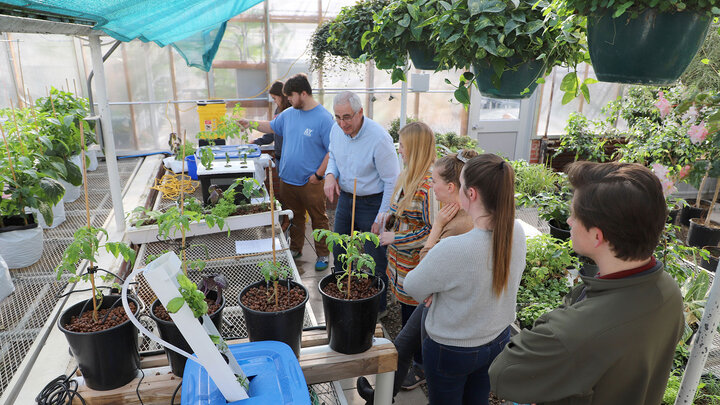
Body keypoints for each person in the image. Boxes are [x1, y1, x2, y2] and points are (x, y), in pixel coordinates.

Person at [489, 161, 684, 405]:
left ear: (597, 236)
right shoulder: (668, 291)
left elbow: (502, 374)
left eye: (574, 214)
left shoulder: (576, 331)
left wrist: (563, 316)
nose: (569, 222)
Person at [356, 149, 478, 404]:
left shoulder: (457, 223)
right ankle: (381, 396)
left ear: (452, 186)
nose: (431, 186)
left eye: (434, 182)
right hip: (437, 298)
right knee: (402, 344)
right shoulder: (452, 212)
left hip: (443, 304)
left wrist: (435, 230)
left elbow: (426, 270)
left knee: (422, 357)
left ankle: (388, 391)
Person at [403, 153, 527, 405]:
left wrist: (435, 290)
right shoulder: (517, 231)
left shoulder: (453, 248)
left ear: (471, 194)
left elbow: (413, 286)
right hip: (498, 339)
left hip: (451, 349)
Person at [239, 73, 333, 271]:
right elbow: (272, 127)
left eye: (291, 95)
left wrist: (318, 175)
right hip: (288, 179)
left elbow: (332, 151)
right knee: (294, 217)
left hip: (311, 182)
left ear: (304, 93)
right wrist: (250, 123)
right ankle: (296, 248)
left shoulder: (324, 118)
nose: (288, 99)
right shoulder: (289, 114)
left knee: (318, 218)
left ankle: (323, 255)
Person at [324, 92, 400, 305]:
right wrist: (330, 175)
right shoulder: (336, 130)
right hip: (346, 200)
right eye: (337, 117)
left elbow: (392, 180)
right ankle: (341, 295)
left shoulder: (379, 138)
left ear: (360, 113)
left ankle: (379, 306)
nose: (342, 123)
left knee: (375, 255)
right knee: (339, 247)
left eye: (347, 117)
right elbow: (334, 156)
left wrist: (382, 216)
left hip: (373, 202)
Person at [380, 121, 435, 327]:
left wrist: (396, 237)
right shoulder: (408, 175)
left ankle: (416, 359)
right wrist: (389, 218)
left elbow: (432, 232)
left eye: (402, 145)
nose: (399, 150)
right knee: (407, 316)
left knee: (415, 321)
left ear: (415, 148)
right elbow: (404, 213)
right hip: (401, 266)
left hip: (414, 268)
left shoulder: (429, 185)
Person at [252, 80, 291, 163]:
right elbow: (273, 130)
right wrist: (257, 142)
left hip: (288, 158)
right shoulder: (278, 110)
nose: (274, 101)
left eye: (274, 98)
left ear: (282, 96)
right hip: (278, 156)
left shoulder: (290, 112)